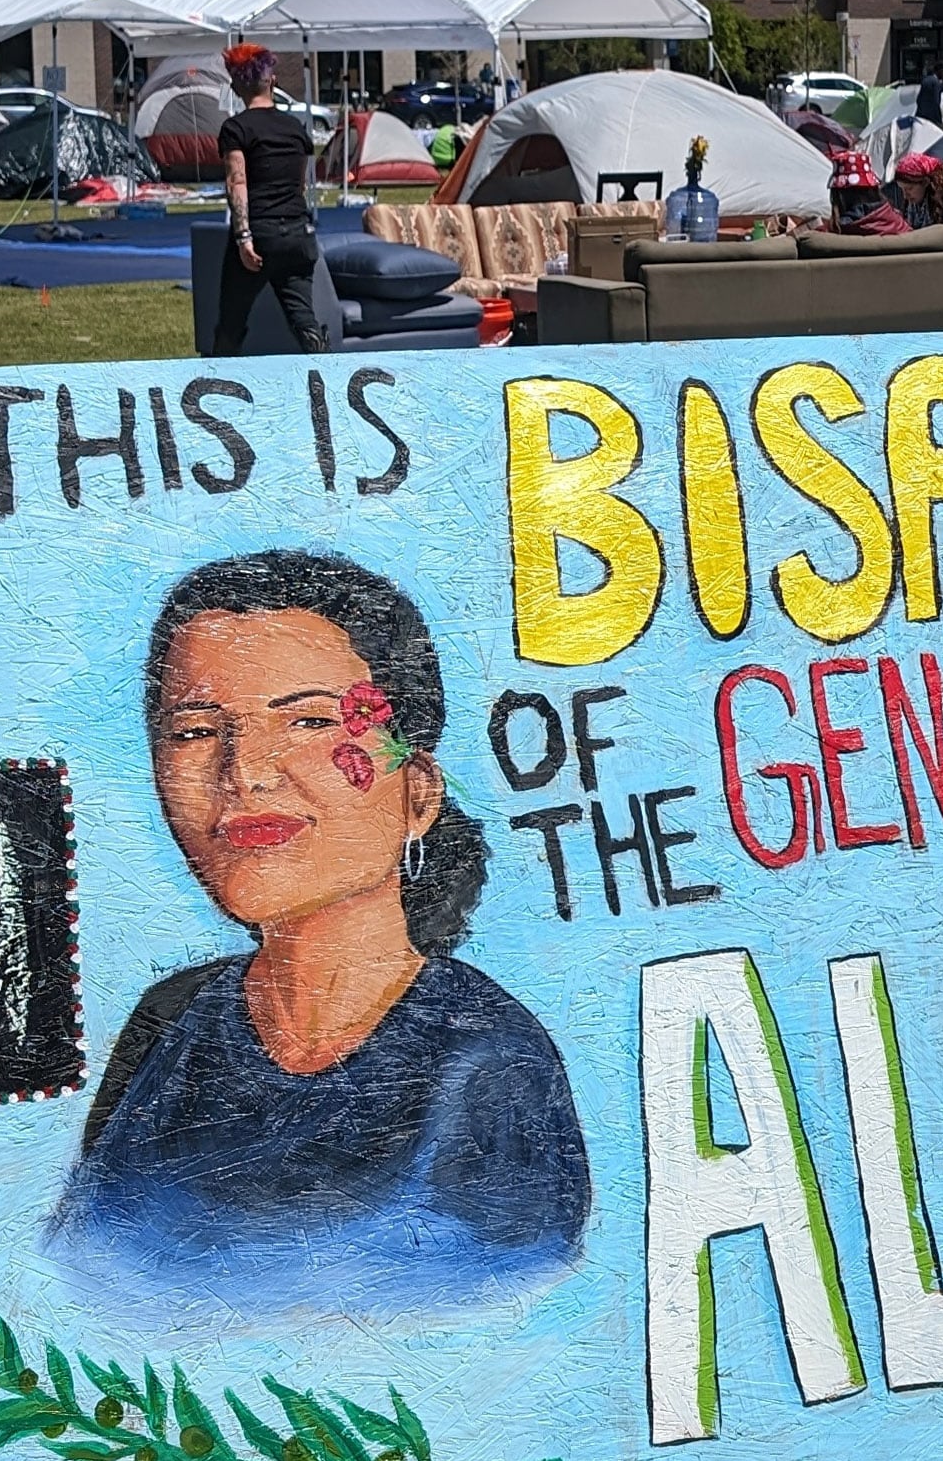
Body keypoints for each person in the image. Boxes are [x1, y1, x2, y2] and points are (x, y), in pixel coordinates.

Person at [58, 550, 592, 1314]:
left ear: (417, 793)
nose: (245, 772)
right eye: (197, 731)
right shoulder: (171, 1021)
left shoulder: (488, 1063)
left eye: (309, 722)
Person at [211, 42, 329, 355]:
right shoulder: (296, 129)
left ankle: (220, 373)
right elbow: (300, 184)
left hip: (261, 232)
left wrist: (243, 237)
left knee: (232, 319)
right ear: (273, 81)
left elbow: (237, 181)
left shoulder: (235, 128)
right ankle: (322, 367)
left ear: (235, 87)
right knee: (303, 316)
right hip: (298, 233)